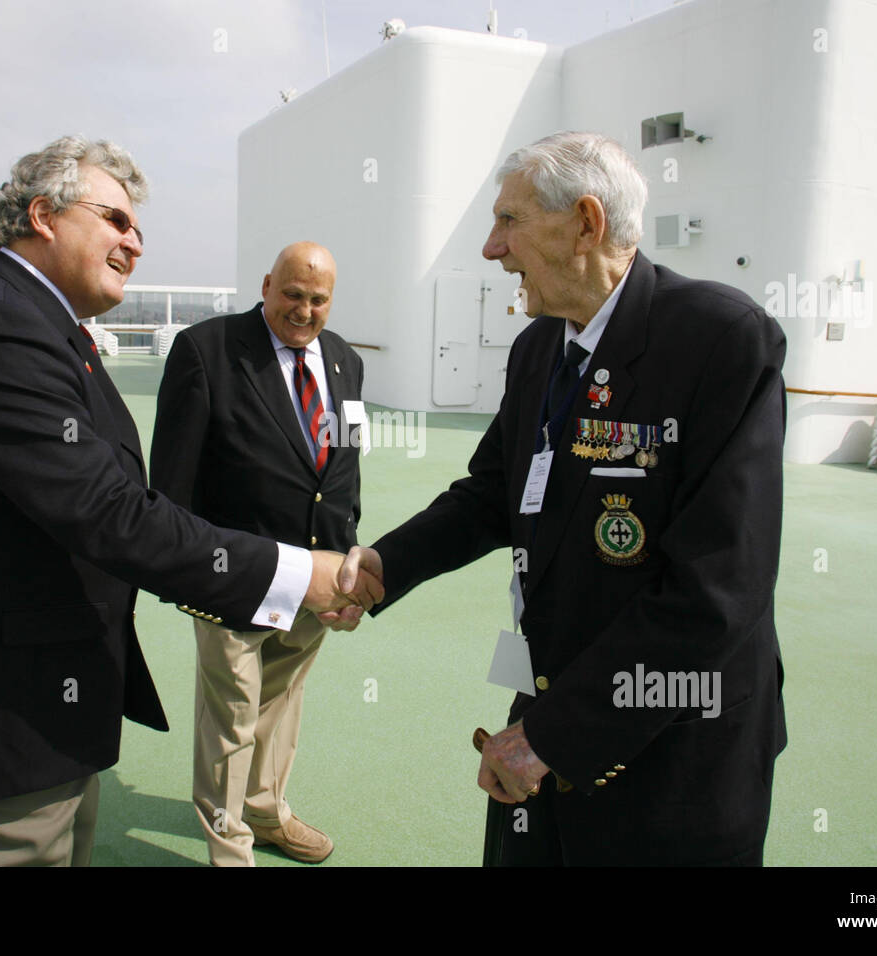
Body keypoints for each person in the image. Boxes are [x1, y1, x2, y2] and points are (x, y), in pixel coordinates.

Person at [0, 135, 379, 867]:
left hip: (48, 701)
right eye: (117, 221)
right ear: (43, 215)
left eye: (137, 228)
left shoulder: (39, 324)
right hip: (7, 711)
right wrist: (301, 574)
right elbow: (112, 508)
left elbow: (16, 479)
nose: (135, 242)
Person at [339, 131, 788, 866]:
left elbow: (717, 592)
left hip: (672, 751)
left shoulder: (720, 339)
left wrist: (556, 735)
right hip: (546, 710)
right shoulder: (539, 348)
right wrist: (384, 565)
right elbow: (491, 495)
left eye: (508, 221)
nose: (492, 248)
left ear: (586, 222)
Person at [149, 242, 362, 865]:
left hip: (316, 579)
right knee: (232, 716)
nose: (304, 310)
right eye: (292, 294)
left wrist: (345, 565)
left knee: (281, 703)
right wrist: (183, 570)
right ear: (267, 285)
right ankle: (230, 847)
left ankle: (266, 811)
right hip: (233, 573)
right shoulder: (206, 350)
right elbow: (172, 479)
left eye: (318, 299)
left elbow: (342, 471)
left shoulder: (344, 361)